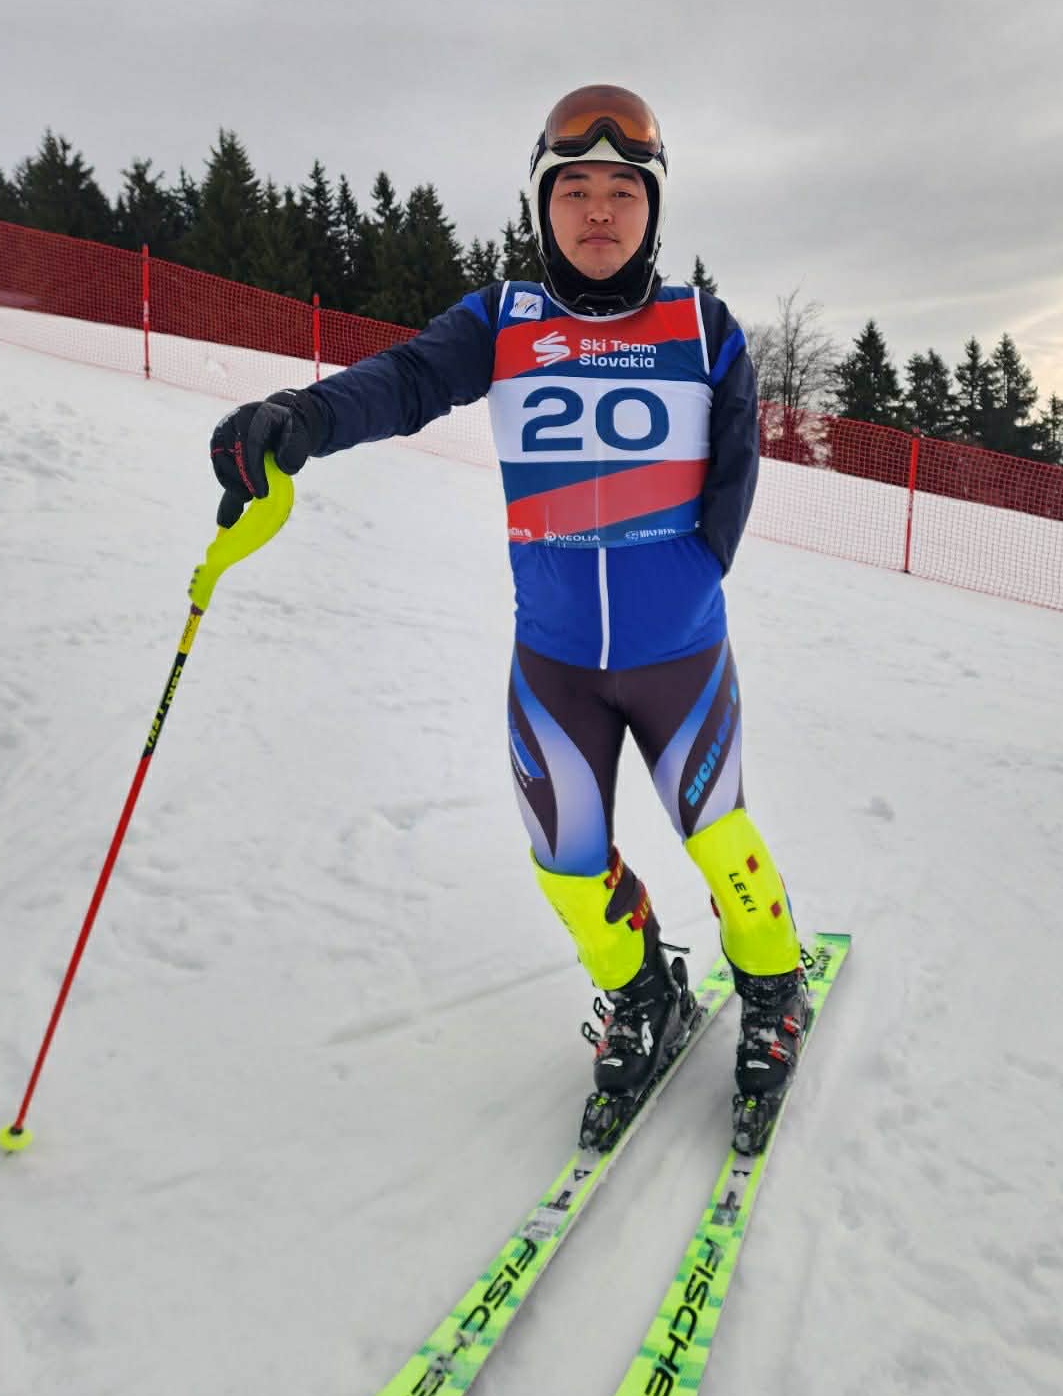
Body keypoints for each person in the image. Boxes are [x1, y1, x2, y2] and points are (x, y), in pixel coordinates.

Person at [210, 85, 807, 1152]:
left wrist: (691, 573)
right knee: (567, 862)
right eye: (574, 189)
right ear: (543, 205)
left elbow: (735, 471)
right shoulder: (502, 321)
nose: (598, 210)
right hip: (557, 663)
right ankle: (644, 992)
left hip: (679, 655)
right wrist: (303, 416)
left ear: (652, 209)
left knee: (720, 836)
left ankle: (774, 985)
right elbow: (404, 381)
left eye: (622, 189)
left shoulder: (702, 327)